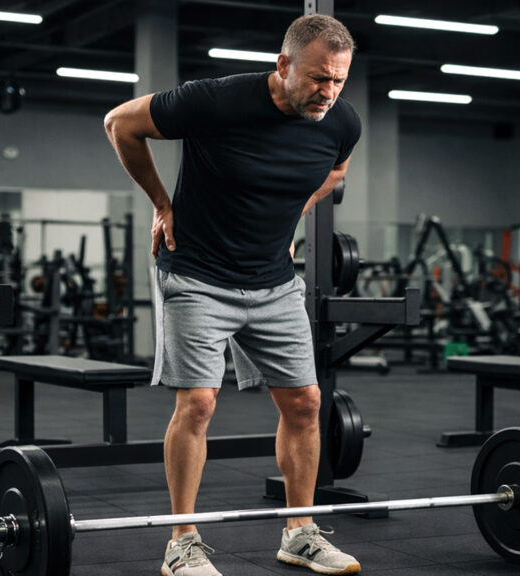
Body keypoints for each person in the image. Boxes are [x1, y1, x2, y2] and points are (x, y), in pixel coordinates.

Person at [104, 13, 361, 576]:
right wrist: (161, 203)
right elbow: (120, 123)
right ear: (284, 64)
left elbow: (336, 172)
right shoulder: (217, 100)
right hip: (197, 273)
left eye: (339, 80)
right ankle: (182, 543)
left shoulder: (341, 121)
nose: (329, 92)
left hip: (274, 281)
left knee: (306, 403)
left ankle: (300, 532)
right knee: (198, 403)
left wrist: (293, 216)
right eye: (319, 78)